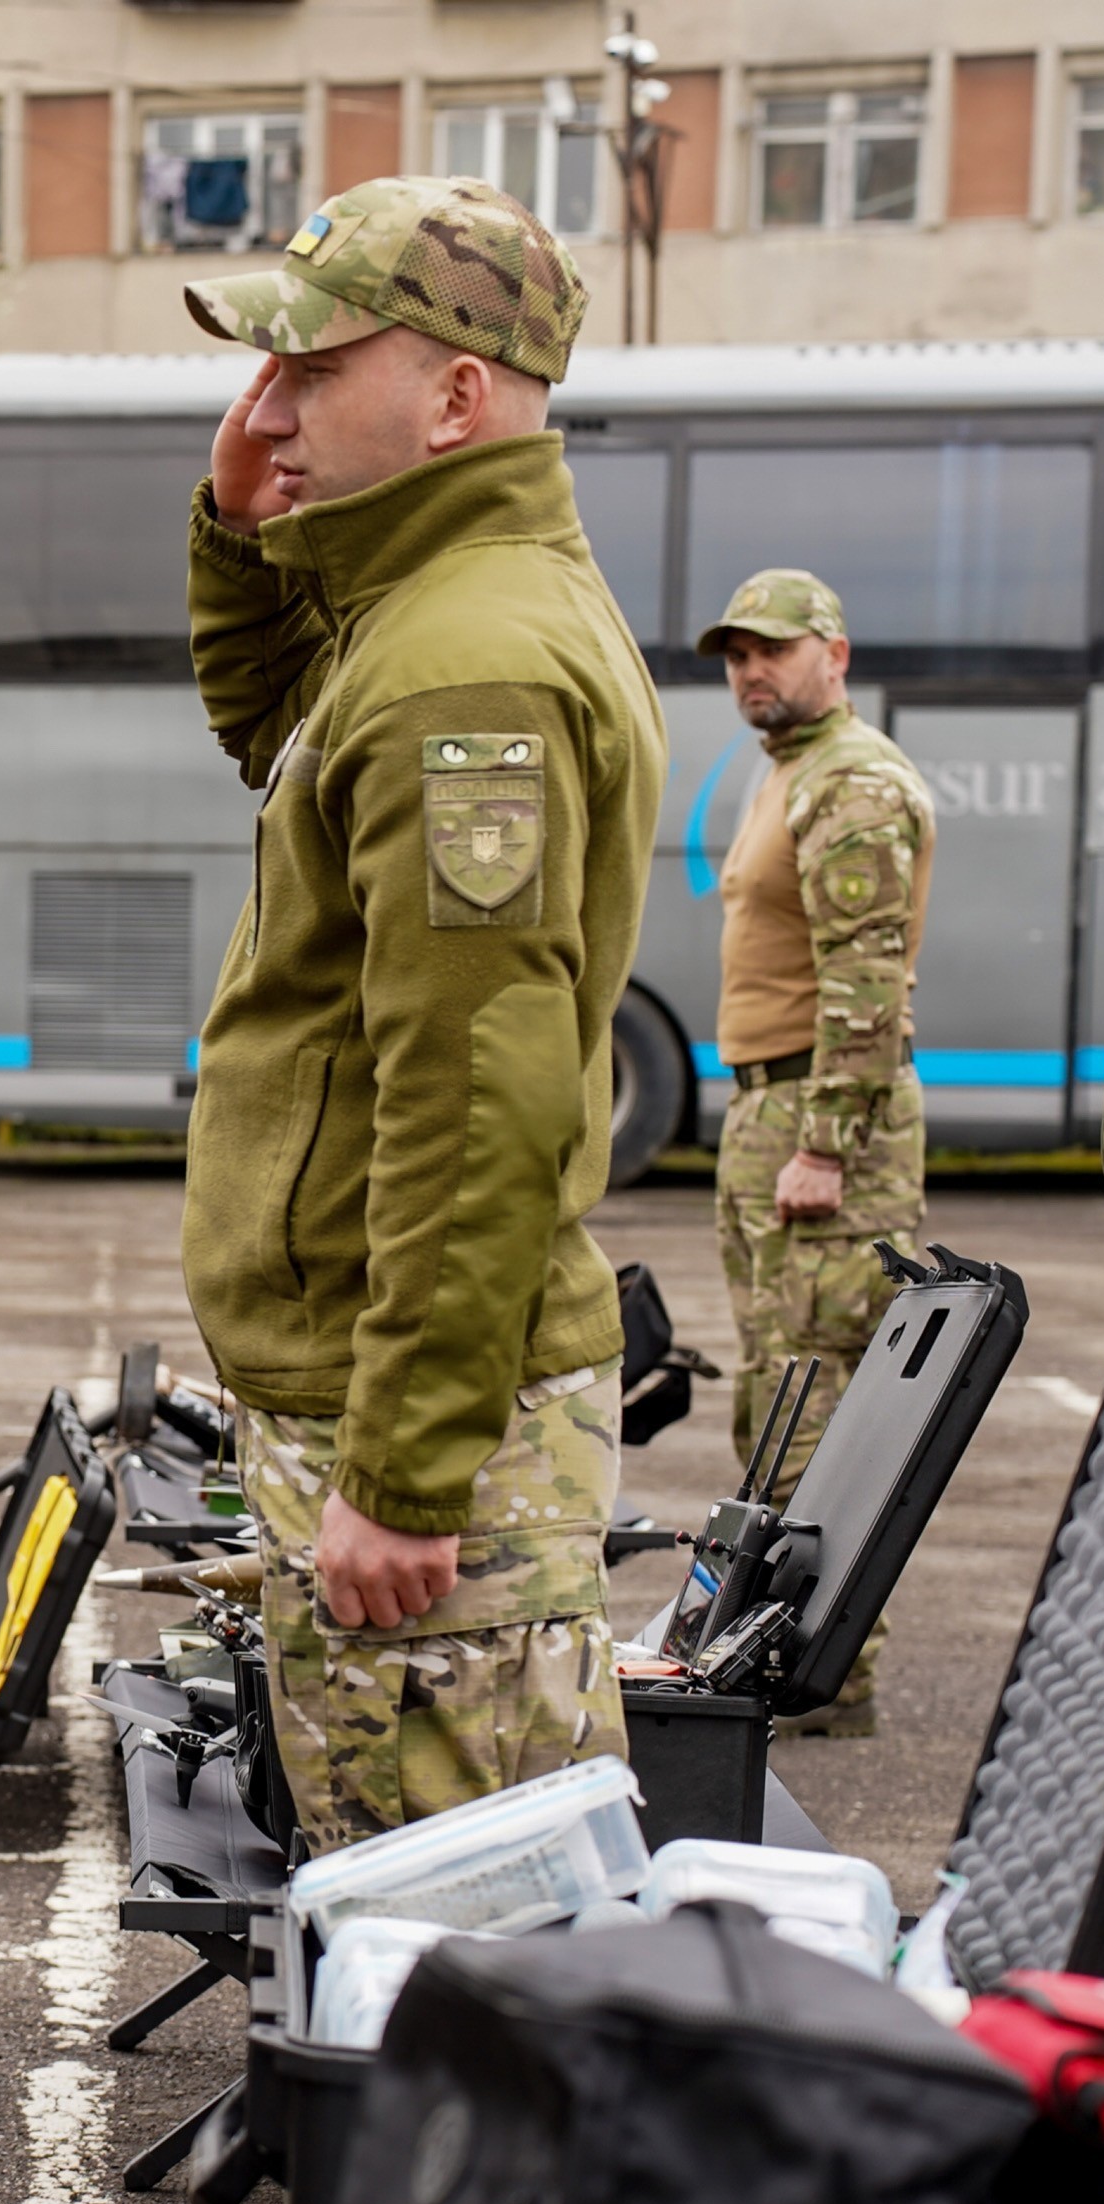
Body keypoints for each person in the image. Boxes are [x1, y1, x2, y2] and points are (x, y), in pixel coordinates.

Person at [176, 178, 661, 1849]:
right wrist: (244, 530)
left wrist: (400, 1468)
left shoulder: (465, 664)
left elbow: (478, 1104)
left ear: (456, 395)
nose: (269, 405)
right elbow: (275, 735)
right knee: (421, 1930)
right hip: (374, 1384)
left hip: (420, 1427)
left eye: (310, 368)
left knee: (455, 1947)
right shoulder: (421, 612)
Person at [693, 565, 932, 1740]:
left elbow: (867, 982)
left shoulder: (853, 785)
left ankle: (823, 1671)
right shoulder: (788, 773)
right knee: (772, 1394)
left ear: (833, 653)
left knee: (819, 1401)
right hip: (768, 1115)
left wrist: (827, 1145)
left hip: (817, 1128)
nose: (751, 671)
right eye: (738, 654)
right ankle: (781, 1650)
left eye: (773, 651)